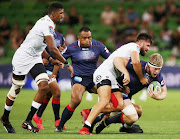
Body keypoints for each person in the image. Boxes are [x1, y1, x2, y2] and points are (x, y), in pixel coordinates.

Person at [1, 2, 73, 134]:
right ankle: (5, 118)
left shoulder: (50, 24)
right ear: (53, 13)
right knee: (16, 89)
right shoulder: (47, 23)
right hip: (22, 58)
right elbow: (52, 48)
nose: (63, 16)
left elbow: (40, 46)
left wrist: (50, 59)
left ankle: (27, 121)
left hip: (35, 58)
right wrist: (66, 63)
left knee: (44, 86)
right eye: (61, 13)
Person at [78, 33, 152, 135]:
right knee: (104, 101)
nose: (148, 49)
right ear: (141, 42)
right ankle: (85, 128)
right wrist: (142, 78)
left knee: (119, 104)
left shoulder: (126, 51)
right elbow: (132, 63)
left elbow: (117, 63)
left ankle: (89, 112)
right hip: (104, 74)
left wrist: (122, 86)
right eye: (147, 45)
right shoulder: (134, 47)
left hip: (111, 77)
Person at [54, 26, 111, 132]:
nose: (87, 40)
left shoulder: (98, 45)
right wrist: (54, 73)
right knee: (76, 100)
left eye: (89, 37)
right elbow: (60, 58)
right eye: (84, 38)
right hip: (79, 77)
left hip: (94, 78)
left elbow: (111, 59)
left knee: (110, 99)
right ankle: (60, 126)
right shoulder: (71, 47)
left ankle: (91, 115)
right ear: (78, 38)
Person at [95, 53, 167, 134]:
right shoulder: (137, 64)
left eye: (159, 69)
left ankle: (125, 127)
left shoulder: (157, 76)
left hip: (125, 100)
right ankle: (96, 118)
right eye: (155, 68)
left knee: (138, 111)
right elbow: (116, 61)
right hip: (113, 93)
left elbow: (164, 92)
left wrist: (158, 97)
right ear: (149, 65)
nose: (157, 71)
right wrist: (120, 85)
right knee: (132, 114)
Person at [32, 31, 67, 130]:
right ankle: (57, 120)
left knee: (48, 94)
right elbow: (35, 51)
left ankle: (37, 117)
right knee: (57, 92)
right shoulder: (41, 36)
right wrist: (40, 60)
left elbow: (61, 51)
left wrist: (62, 50)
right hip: (45, 69)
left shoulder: (60, 36)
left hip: (55, 68)